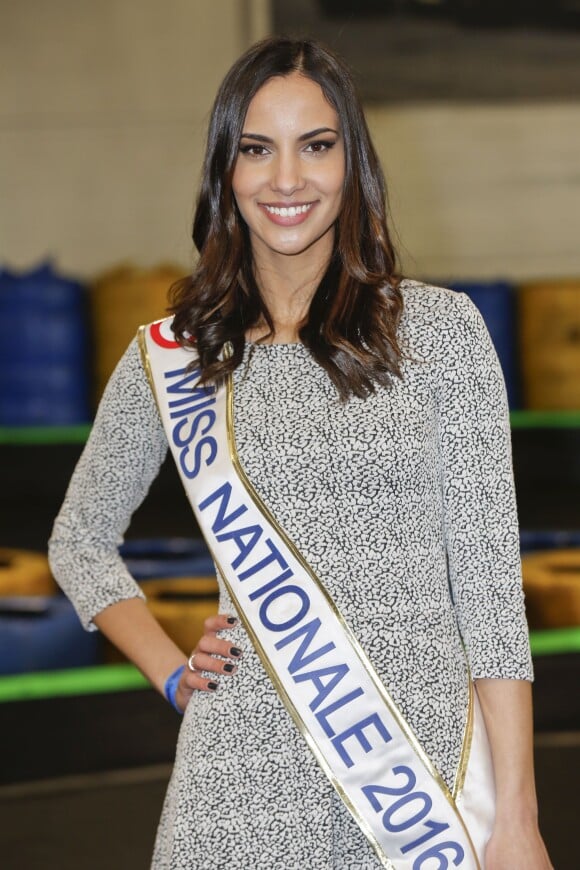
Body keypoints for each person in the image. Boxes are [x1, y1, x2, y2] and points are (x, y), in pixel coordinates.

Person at [49, 36, 552, 870]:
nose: (287, 179)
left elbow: (491, 597)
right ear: (226, 170)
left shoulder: (441, 334)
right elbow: (78, 540)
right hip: (235, 783)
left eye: (316, 146)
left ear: (352, 163)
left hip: (414, 784)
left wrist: (519, 820)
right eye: (257, 149)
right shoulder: (174, 355)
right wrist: (174, 673)